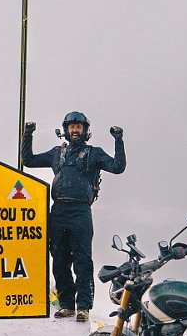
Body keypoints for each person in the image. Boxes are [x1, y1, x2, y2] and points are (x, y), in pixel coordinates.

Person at [21, 111, 125, 322]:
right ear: (66, 130)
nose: (75, 130)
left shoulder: (93, 153)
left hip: (81, 211)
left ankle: (83, 307)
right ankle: (67, 304)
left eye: (79, 127)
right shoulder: (56, 153)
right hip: (58, 210)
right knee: (59, 259)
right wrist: (27, 135)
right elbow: (28, 161)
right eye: (72, 127)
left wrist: (118, 140)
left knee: (82, 260)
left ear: (85, 130)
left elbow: (117, 167)